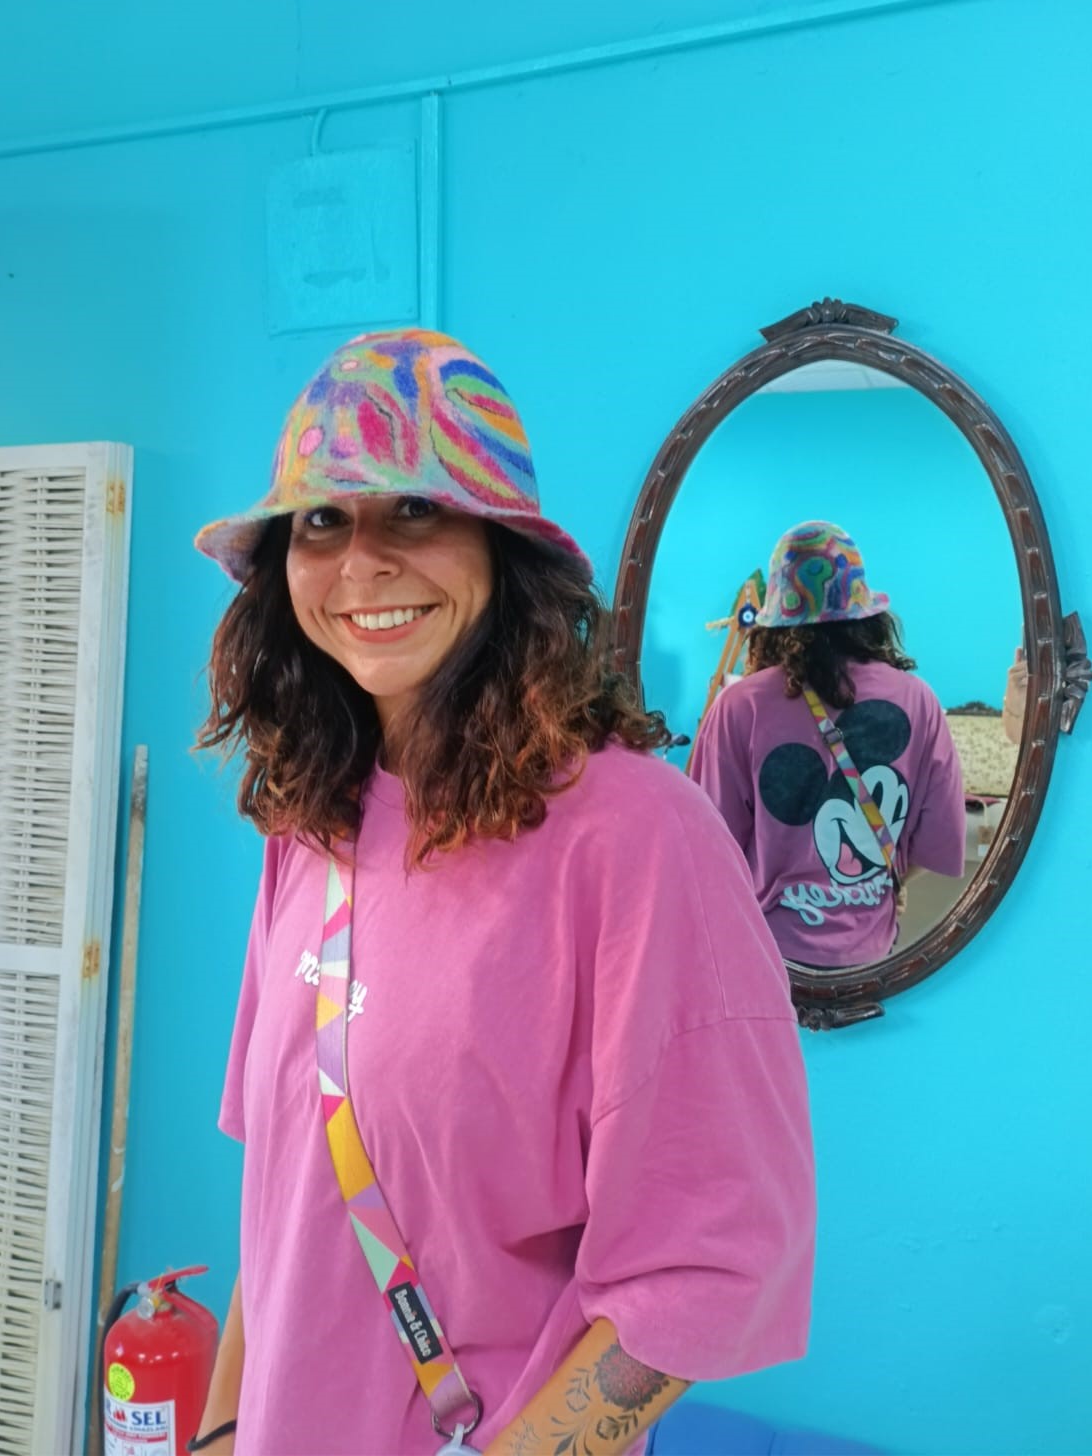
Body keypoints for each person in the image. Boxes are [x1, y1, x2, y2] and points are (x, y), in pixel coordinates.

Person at [190, 329, 815, 1456]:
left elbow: (708, 1271)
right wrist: (222, 1432)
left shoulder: (636, 838)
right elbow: (288, 1200)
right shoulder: (312, 823)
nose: (361, 562)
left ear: (502, 551)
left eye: (414, 510)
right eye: (322, 520)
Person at [689, 520, 966, 970]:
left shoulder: (739, 707)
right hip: (871, 957)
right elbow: (939, 838)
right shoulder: (919, 701)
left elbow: (708, 851)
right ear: (868, 616)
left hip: (766, 958)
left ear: (774, 620)